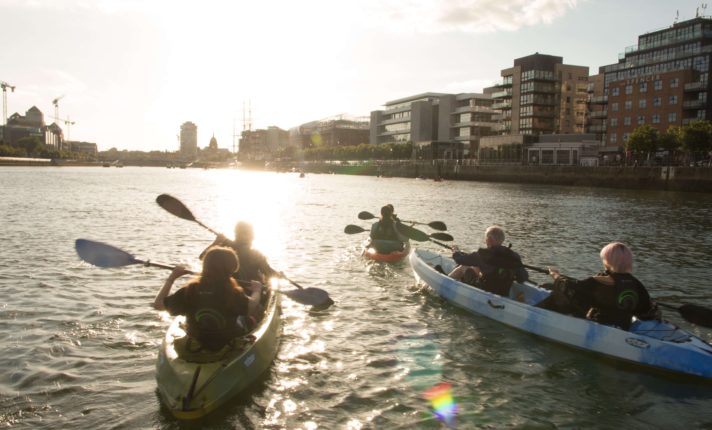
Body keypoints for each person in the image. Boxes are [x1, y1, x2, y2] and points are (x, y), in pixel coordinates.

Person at [153, 246, 262, 351]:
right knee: (247, 318)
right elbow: (251, 307)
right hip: (227, 342)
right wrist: (257, 290)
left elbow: (158, 305)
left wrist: (172, 278)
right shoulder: (233, 292)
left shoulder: (189, 290)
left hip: (197, 341)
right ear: (232, 268)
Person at [535, 242, 659, 330]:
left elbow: (569, 288)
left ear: (608, 261)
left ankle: (535, 314)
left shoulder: (597, 281)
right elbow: (646, 309)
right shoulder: (636, 284)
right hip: (623, 326)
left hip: (599, 326)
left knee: (560, 294)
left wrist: (556, 276)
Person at [446, 225, 528, 297]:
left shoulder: (483, 254)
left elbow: (459, 260)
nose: (485, 240)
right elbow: (522, 278)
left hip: (483, 292)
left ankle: (445, 284)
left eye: (486, 238)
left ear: (489, 239)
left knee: (463, 267)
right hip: (503, 293)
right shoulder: (514, 256)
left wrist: (455, 251)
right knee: (476, 266)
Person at [202, 221, 277, 284]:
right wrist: (279, 275)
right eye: (243, 233)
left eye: (247, 233)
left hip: (228, 289)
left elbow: (202, 257)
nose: (246, 236)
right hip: (246, 290)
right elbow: (269, 273)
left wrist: (215, 243)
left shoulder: (225, 246)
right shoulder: (256, 254)